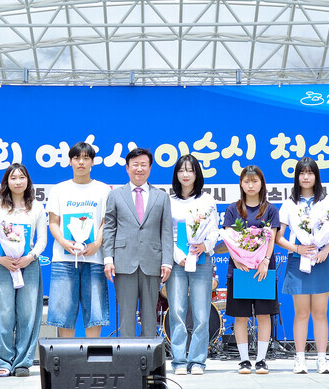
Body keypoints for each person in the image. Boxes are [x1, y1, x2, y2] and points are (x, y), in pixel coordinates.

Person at [275, 157, 329, 374]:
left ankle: (322, 360)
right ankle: (300, 359)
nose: (305, 177)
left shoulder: (328, 201)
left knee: (320, 312)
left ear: (316, 176)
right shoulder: (289, 203)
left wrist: (326, 250)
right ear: (297, 177)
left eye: (310, 173)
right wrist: (297, 249)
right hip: (298, 261)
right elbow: (279, 237)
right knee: (302, 313)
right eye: (301, 173)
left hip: (322, 260)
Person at [103, 148, 174, 338]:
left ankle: (149, 364)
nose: (139, 169)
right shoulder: (115, 195)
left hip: (152, 262)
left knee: (150, 316)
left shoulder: (161, 196)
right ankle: (127, 362)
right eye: (135, 165)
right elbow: (109, 228)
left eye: (143, 165)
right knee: (126, 316)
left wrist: (167, 261)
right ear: (127, 168)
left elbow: (166, 231)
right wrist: (108, 258)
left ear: (150, 168)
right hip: (123, 263)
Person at [0, 164, 47, 377]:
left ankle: (23, 362)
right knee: (3, 314)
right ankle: (2, 361)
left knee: (28, 313)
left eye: (22, 177)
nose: (18, 182)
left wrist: (30, 257)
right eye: (13, 178)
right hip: (3, 266)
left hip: (28, 266)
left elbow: (42, 240)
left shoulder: (36, 208)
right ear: (6, 182)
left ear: (28, 181)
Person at [45, 142, 111, 338]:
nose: (81, 162)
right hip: (64, 259)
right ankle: (67, 360)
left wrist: (97, 243)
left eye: (86, 158)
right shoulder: (59, 189)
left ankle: (93, 356)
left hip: (94, 258)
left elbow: (105, 222)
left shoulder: (103, 189)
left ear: (92, 162)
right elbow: (53, 222)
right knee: (64, 312)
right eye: (77, 158)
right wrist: (65, 243)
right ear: (70, 162)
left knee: (95, 312)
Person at [223, 165, 280, 374]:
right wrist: (238, 261)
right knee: (241, 316)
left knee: (264, 315)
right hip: (240, 270)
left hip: (263, 270)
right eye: (246, 181)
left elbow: (271, 238)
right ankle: (245, 360)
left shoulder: (270, 209)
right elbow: (229, 238)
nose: (250, 185)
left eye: (254, 181)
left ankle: (262, 359)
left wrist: (265, 260)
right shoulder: (233, 209)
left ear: (261, 183)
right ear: (241, 183)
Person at [166, 155, 219, 374]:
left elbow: (215, 230)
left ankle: (197, 360)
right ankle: (178, 360)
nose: (185, 174)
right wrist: (178, 255)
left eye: (190, 170)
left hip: (201, 261)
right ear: (176, 174)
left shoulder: (207, 201)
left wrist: (204, 246)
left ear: (197, 174)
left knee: (201, 312)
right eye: (181, 170)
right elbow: (165, 233)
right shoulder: (169, 201)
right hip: (176, 262)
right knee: (177, 311)